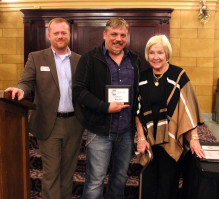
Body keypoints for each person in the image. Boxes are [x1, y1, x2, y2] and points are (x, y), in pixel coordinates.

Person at [5, 18, 83, 199]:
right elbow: (26, 83)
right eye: (56, 33)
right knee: (51, 173)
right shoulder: (36, 57)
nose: (60, 36)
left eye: (64, 32)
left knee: (67, 172)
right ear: (49, 35)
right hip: (49, 123)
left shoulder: (80, 60)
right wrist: (20, 90)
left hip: (74, 124)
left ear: (69, 35)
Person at [72, 17, 141, 199]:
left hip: (126, 132)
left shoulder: (133, 60)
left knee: (120, 177)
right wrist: (105, 107)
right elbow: (79, 91)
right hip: (99, 131)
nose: (118, 38)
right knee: (95, 180)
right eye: (114, 34)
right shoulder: (90, 58)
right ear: (105, 34)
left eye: (122, 35)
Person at [135, 35, 206, 199]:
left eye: (160, 52)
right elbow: (138, 112)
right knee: (149, 184)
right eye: (152, 52)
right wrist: (140, 138)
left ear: (167, 54)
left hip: (172, 139)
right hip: (149, 141)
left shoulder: (179, 75)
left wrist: (194, 138)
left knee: (168, 185)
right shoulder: (143, 77)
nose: (156, 57)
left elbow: (190, 108)